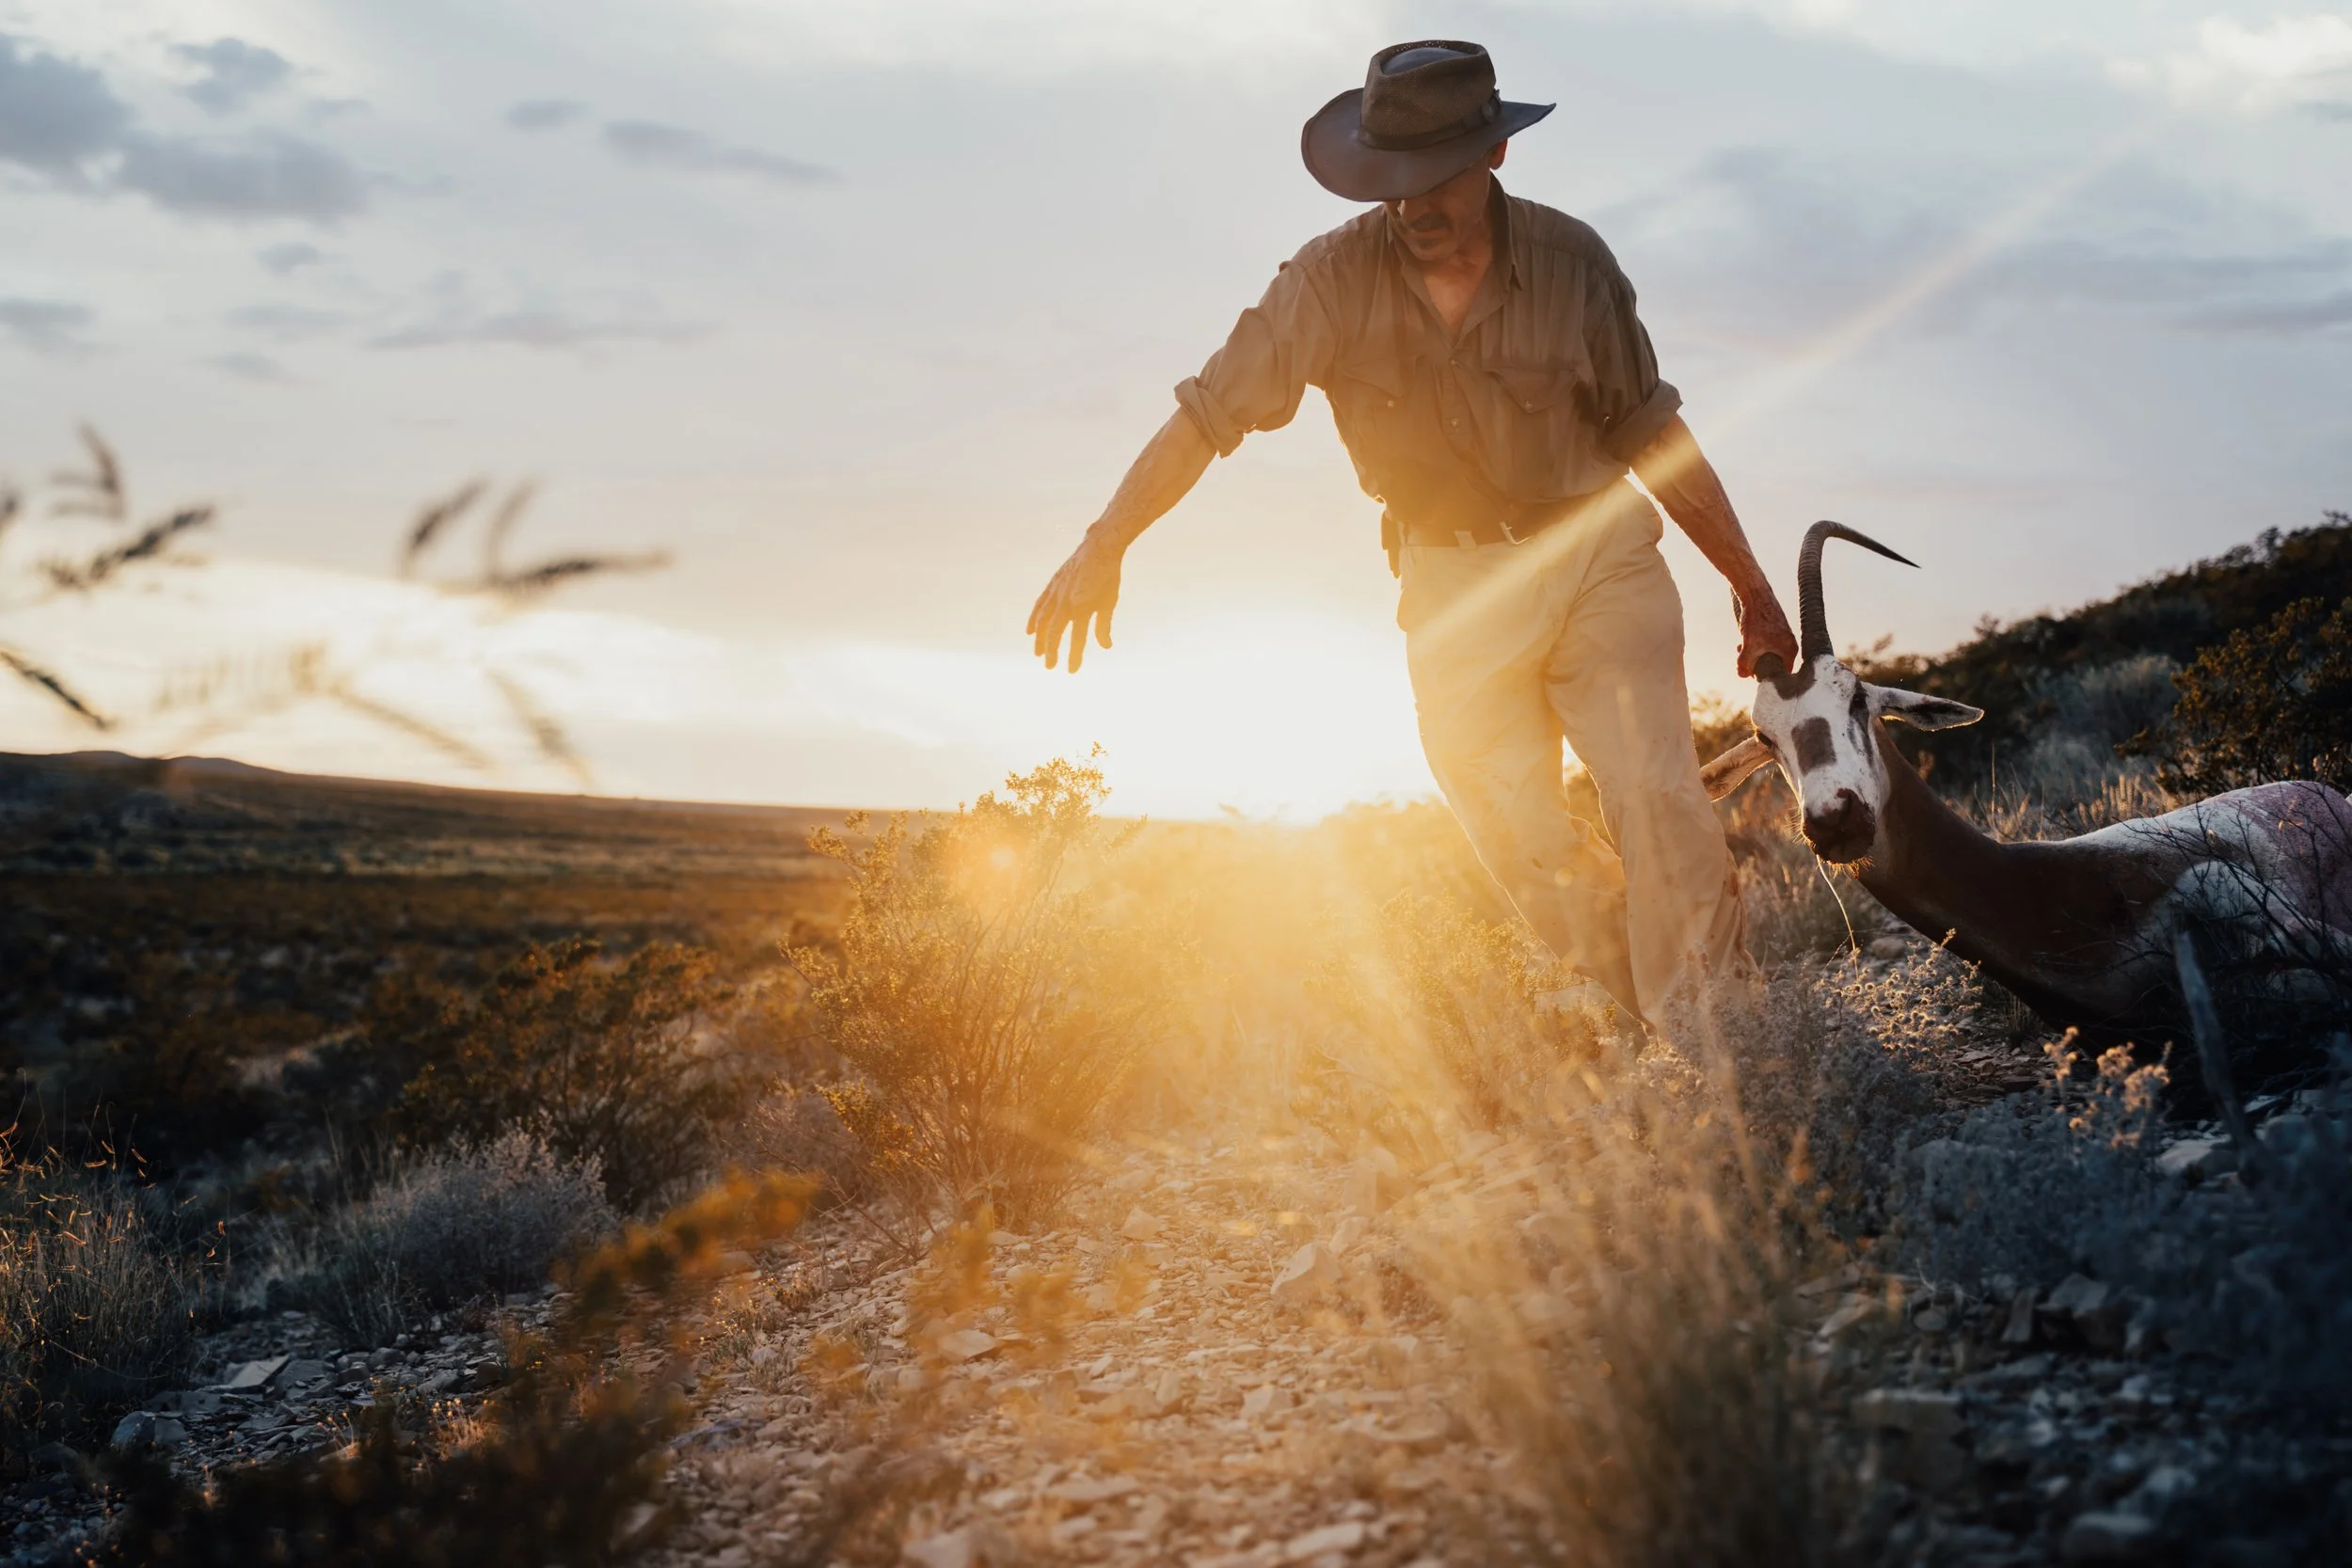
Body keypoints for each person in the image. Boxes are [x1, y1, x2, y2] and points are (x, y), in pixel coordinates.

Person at [1025, 40, 1800, 1018]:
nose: (1410, 206)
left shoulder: (1575, 264)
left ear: (1493, 159)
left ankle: (1723, 1057)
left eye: (1433, 179)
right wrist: (1106, 542)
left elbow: (1651, 430)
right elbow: (1205, 415)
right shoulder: (1323, 282)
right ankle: (1649, 1014)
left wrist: (1751, 583)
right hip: (1450, 587)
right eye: (1388, 183)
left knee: (1657, 800)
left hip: (1597, 553)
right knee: (1518, 839)